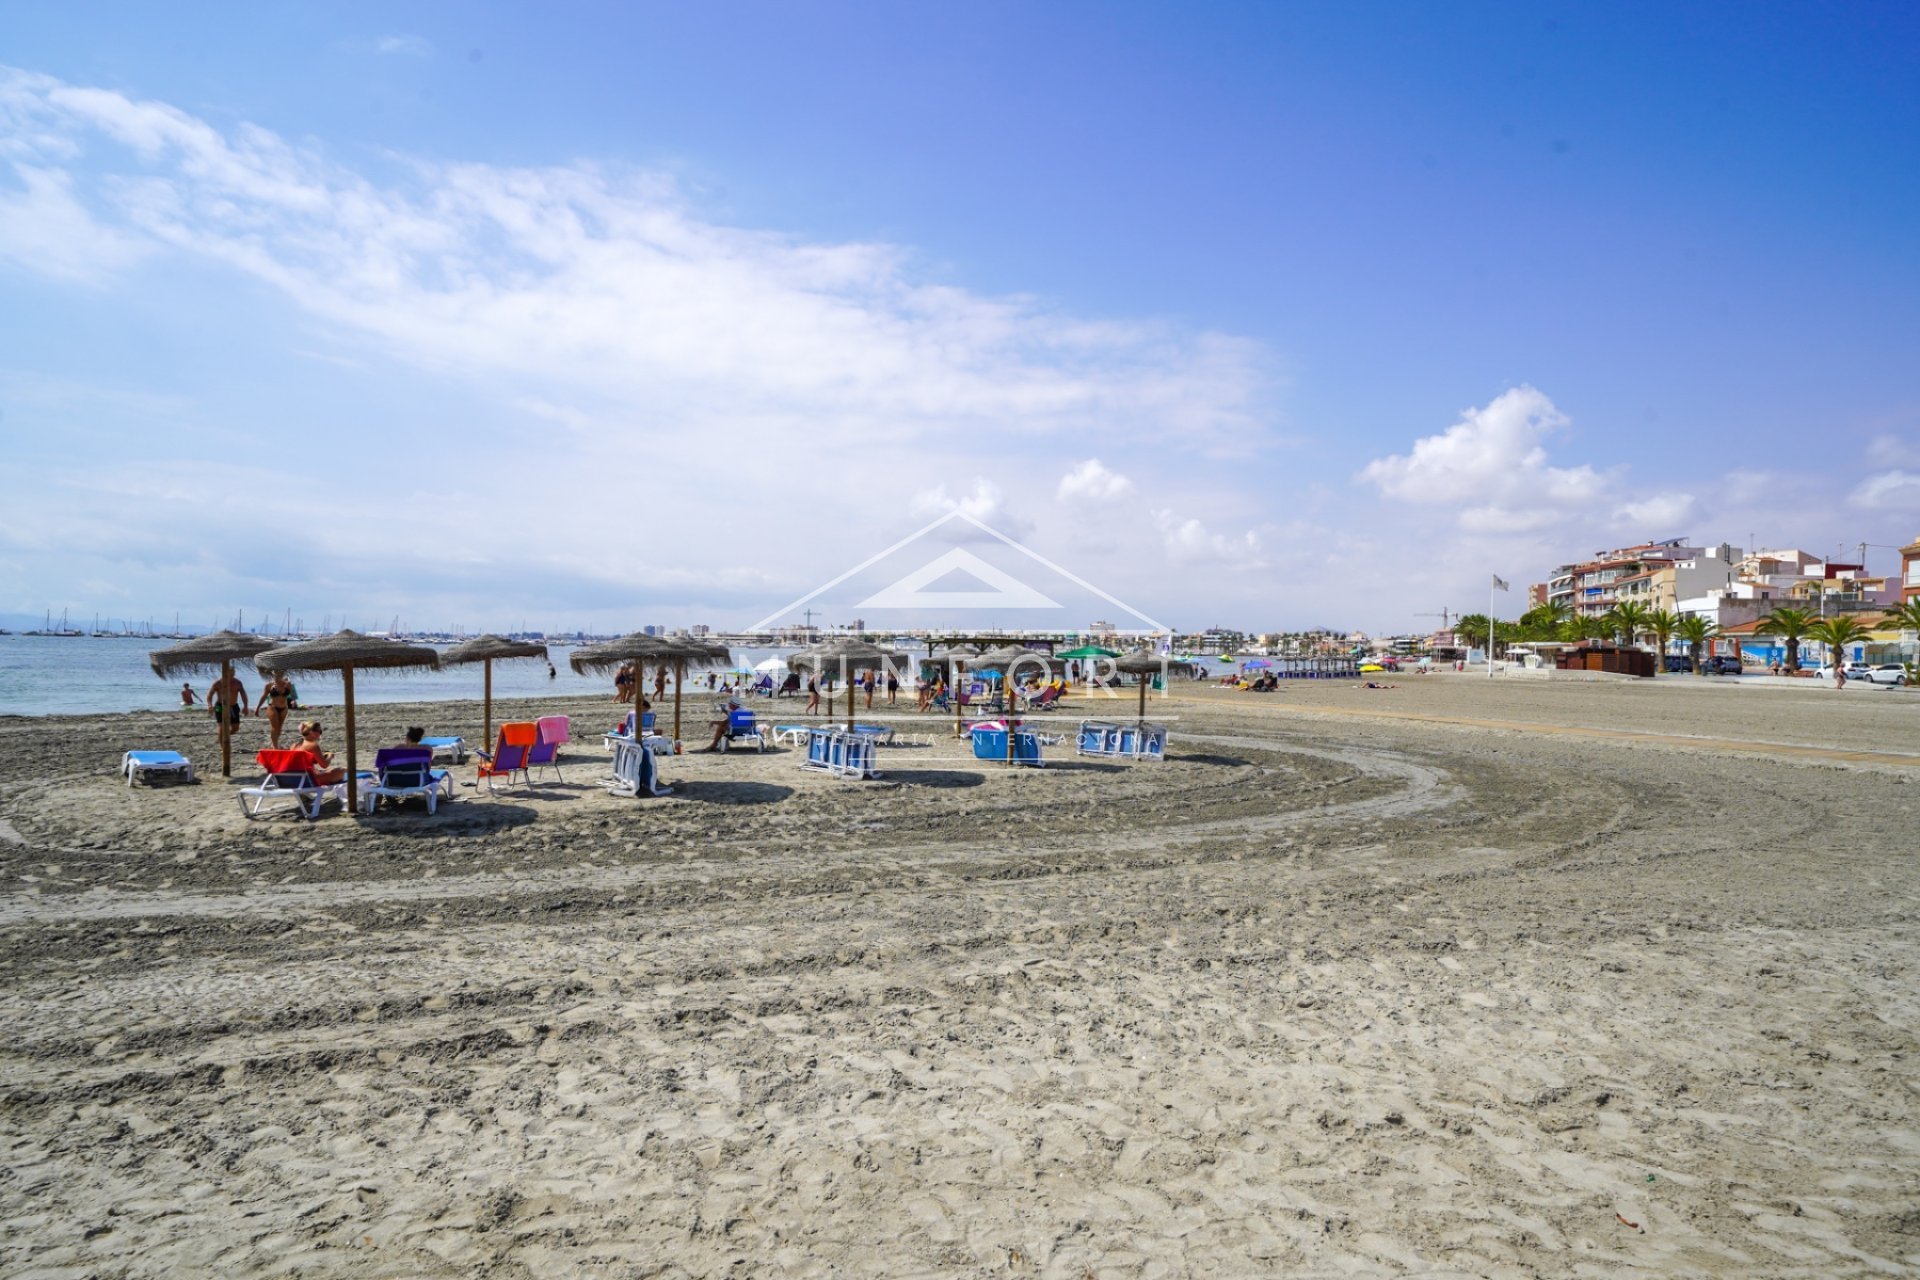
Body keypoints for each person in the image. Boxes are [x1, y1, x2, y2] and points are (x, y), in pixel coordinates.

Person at [287, 720, 347, 785]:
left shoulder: (294, 746)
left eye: (320, 731)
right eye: (318, 731)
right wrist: (330, 756)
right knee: (342, 770)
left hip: (296, 780)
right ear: (310, 732)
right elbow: (324, 765)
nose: (319, 733)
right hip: (310, 781)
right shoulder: (313, 746)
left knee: (329, 770)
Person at [258, 673, 295, 749]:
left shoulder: (288, 684)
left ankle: (274, 743)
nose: (278, 676)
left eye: (280, 674)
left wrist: (293, 700)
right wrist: (258, 707)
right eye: (276, 675)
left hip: (284, 708)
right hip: (273, 707)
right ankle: (275, 747)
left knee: (279, 728)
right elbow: (264, 696)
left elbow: (292, 694)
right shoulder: (269, 685)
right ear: (273, 675)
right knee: (275, 727)